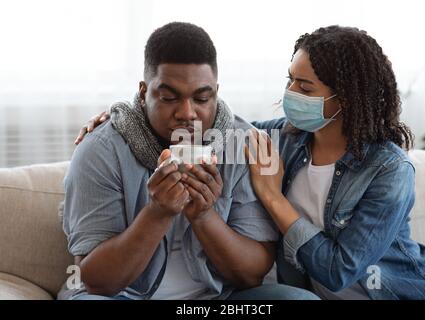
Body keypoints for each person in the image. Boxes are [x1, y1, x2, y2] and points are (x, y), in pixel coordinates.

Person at [77, 25, 425, 300]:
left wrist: (272, 199)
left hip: (393, 293)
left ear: (346, 100)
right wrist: (122, 117)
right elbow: (216, 127)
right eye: (290, 81)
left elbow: (338, 271)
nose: (289, 95)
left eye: (304, 89)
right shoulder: (277, 140)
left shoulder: (389, 171)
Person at [60, 22, 318, 300]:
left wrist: (205, 216)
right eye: (169, 97)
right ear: (144, 91)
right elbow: (96, 281)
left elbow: (251, 275)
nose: (187, 113)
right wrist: (157, 213)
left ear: (216, 92)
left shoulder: (243, 144)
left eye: (202, 98)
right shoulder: (100, 150)